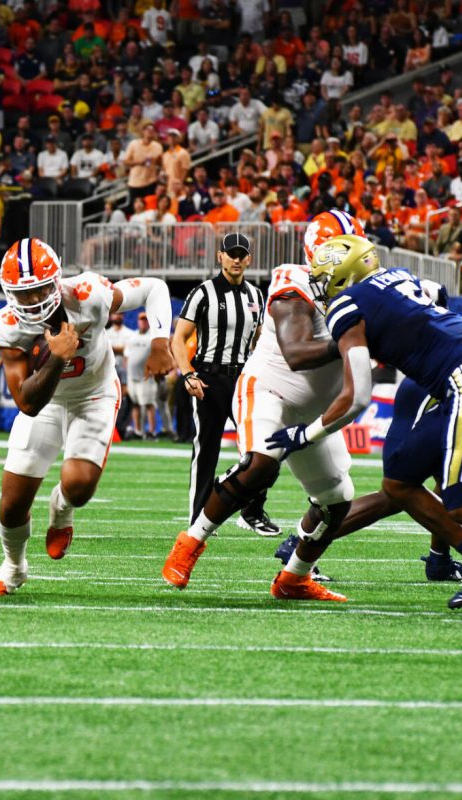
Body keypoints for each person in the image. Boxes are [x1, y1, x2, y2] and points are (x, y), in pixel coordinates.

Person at [269, 234, 462, 610]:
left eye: (324, 275)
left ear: (343, 273)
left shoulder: (348, 303)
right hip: (458, 383)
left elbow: (357, 396)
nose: (320, 285)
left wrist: (305, 433)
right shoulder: (400, 278)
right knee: (398, 484)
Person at [162, 214, 356, 595]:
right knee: (259, 463)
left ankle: (295, 576)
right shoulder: (291, 281)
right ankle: (191, 540)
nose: (359, 258)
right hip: (265, 388)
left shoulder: (362, 291)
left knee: (337, 497)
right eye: (347, 250)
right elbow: (297, 351)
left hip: (312, 407)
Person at [0, 238, 174, 595]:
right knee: (11, 506)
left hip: (94, 395)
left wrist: (161, 342)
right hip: (45, 405)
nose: (33, 302)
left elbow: (154, 287)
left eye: (39, 290)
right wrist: (56, 357)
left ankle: (62, 508)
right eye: (23, 295)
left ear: (55, 282)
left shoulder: (89, 293)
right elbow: (28, 403)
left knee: (79, 487)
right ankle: (13, 567)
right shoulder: (7, 325)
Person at [168, 232, 272, 535]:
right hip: (209, 379)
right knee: (206, 452)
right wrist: (188, 374)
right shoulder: (203, 293)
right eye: (231, 254)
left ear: (249, 259)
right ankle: (196, 524)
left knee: (260, 447)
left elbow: (258, 341)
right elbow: (178, 339)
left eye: (242, 254)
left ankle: (252, 510)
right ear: (220, 257)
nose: (236, 259)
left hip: (242, 378)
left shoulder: (256, 295)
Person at [124, 313, 157, 439]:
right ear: (138, 321)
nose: (143, 322)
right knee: (135, 404)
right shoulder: (132, 336)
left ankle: (152, 432)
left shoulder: (152, 337)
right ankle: (138, 431)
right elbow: (127, 355)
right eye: (141, 320)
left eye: (145, 320)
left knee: (149, 404)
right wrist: (128, 371)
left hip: (146, 377)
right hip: (132, 376)